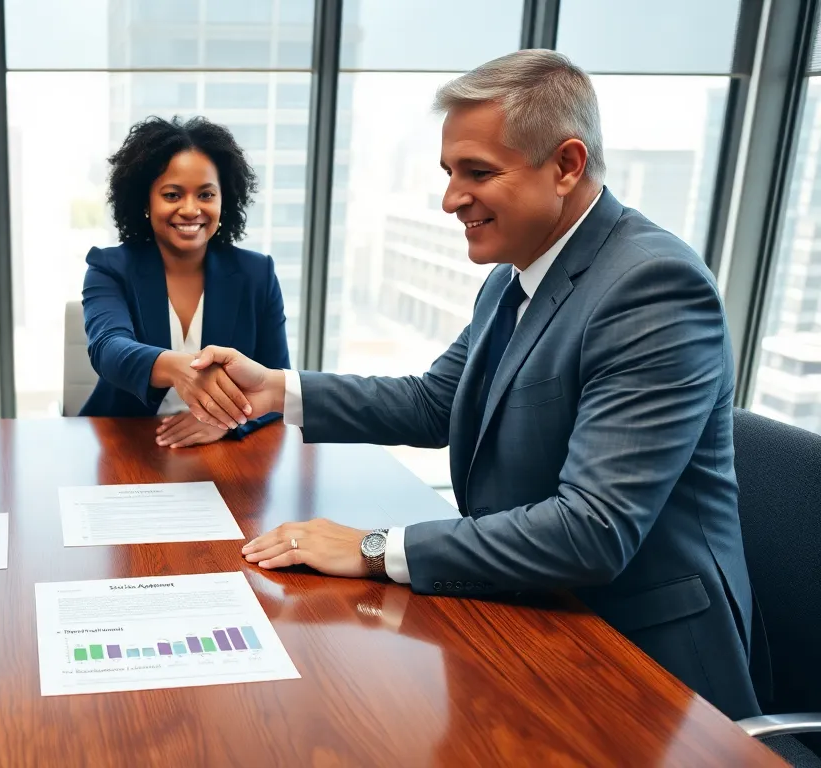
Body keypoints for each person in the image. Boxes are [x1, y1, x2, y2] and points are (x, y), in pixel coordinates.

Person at [188, 51, 761, 720]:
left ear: (567, 165)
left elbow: (593, 530)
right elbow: (439, 402)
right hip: (534, 617)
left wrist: (375, 550)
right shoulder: (514, 276)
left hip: (644, 668)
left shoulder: (653, 286)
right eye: (449, 172)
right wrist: (279, 391)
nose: (451, 198)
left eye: (478, 172)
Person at [79, 116, 290, 449]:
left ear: (225, 200)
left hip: (225, 452)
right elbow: (108, 349)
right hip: (126, 443)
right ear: (145, 202)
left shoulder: (257, 273)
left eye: (206, 195)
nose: (191, 209)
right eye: (173, 194)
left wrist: (226, 421)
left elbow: (279, 383)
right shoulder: (109, 267)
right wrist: (179, 369)